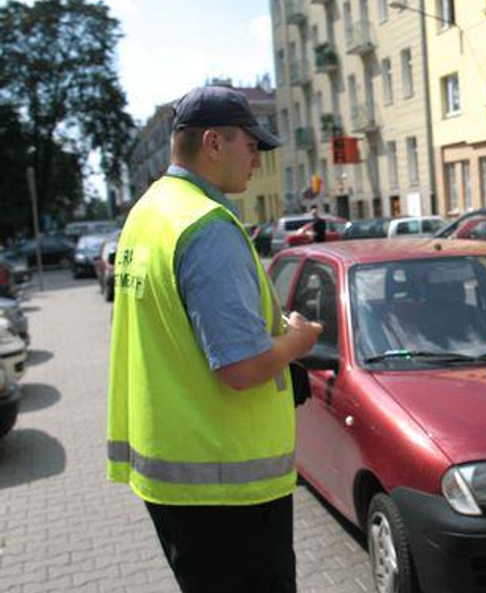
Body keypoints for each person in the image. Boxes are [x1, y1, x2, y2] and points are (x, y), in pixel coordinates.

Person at [106, 85, 323, 593]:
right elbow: (241, 368)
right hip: (227, 489)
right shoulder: (207, 227)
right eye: (252, 145)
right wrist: (297, 339)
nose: (258, 158)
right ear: (213, 143)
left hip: (177, 478)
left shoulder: (148, 212)